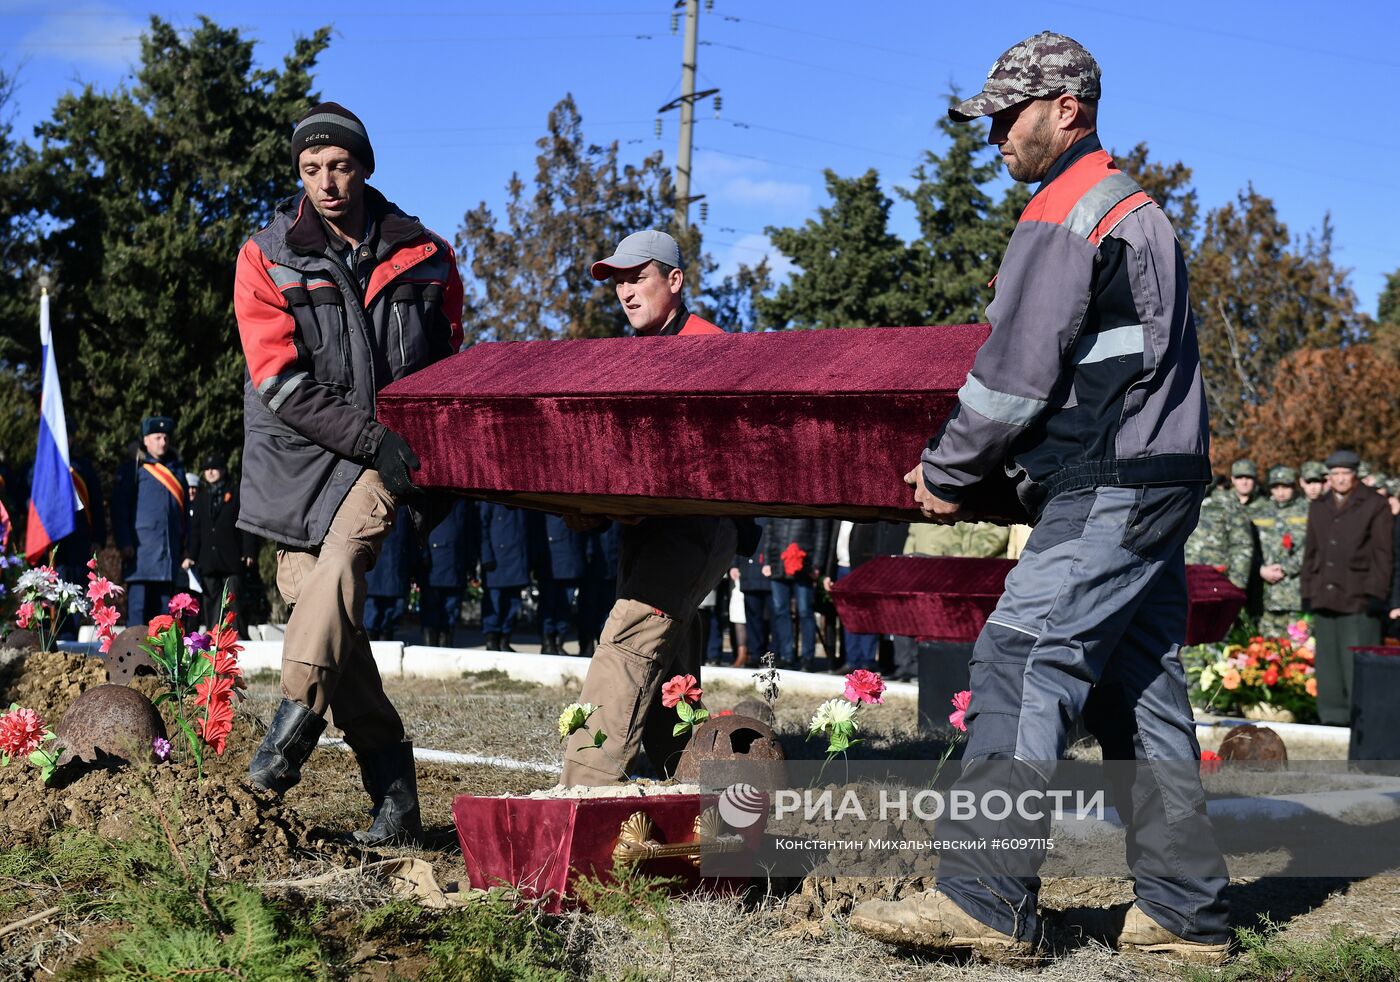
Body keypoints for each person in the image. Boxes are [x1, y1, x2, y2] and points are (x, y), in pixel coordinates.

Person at [854, 33, 1229, 963]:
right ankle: (1183, 914)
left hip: (1107, 482)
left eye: (1006, 119)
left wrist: (947, 470)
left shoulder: (1067, 209)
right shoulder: (1140, 209)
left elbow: (1015, 375)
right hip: (1160, 478)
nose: (994, 141)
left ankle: (985, 898)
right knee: (1140, 689)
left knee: (1020, 659)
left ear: (1067, 109)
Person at [233, 102, 463, 845]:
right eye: (310, 169)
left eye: (339, 166)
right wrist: (365, 434)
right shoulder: (264, 257)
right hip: (302, 455)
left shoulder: (427, 255)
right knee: (321, 610)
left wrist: (432, 455)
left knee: (339, 566)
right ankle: (395, 798)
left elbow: (449, 364)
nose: (326, 183)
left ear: (363, 166)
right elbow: (278, 381)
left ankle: (280, 750)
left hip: (390, 454)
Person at [560, 230, 755, 786]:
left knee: (630, 636)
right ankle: (679, 771)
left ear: (674, 280)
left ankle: (584, 784)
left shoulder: (713, 350)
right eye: (617, 281)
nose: (624, 291)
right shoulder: (632, 356)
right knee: (672, 660)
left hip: (697, 526)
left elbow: (723, 457)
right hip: (647, 527)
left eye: (636, 277)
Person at [1300, 450, 1393, 725]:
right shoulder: (1319, 505)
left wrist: (1378, 593)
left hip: (1359, 595)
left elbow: (1383, 553)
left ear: (1355, 475)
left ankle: (1364, 721)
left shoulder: (1375, 504)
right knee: (1328, 664)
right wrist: (1307, 592)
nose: (1340, 479)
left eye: (1346, 473)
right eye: (1335, 474)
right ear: (1329, 476)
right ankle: (1332, 719)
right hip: (1324, 594)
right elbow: (1311, 552)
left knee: (1358, 661)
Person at [113, 416, 188, 625]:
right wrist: (125, 542)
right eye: (157, 437)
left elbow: (185, 514)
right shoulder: (134, 468)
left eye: (165, 437)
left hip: (167, 555)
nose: (162, 442)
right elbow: (120, 509)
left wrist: (187, 547)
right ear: (146, 440)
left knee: (163, 619)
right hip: (140, 555)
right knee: (138, 617)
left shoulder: (177, 470)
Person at [184, 455, 258, 637]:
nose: (209, 472)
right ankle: (213, 639)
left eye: (214, 468)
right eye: (206, 469)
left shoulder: (236, 493)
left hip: (231, 558)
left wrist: (249, 550)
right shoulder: (201, 496)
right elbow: (195, 530)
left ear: (223, 470)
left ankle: (238, 638)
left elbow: (247, 524)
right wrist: (190, 555)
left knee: (234, 603)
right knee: (211, 605)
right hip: (208, 561)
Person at [763, 518, 831, 671]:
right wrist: (767, 561)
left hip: (804, 565)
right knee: (781, 611)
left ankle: (808, 658)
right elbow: (769, 533)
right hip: (778, 563)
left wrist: (817, 564)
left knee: (805, 611)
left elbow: (821, 534)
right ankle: (786, 656)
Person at [1251, 466, 1308, 637]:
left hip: (1295, 593)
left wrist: (1286, 568)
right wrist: (1260, 569)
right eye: (1276, 487)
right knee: (1266, 651)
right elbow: (1247, 546)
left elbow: (1312, 547)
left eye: (1286, 487)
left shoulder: (1307, 510)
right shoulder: (1258, 512)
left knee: (1299, 649)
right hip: (1265, 594)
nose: (1281, 492)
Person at [419, 499, 477, 647]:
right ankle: (429, 647)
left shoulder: (464, 502)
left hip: (457, 563)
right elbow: (421, 526)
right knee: (432, 609)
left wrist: (471, 563)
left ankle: (446, 646)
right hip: (435, 563)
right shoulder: (431, 499)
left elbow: (469, 532)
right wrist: (423, 557)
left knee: (451, 609)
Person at [533, 513, 587, 655]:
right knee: (548, 604)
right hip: (549, 560)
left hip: (571, 557)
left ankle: (559, 641)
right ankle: (548, 641)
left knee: (565, 606)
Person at [479, 502, 529, 651]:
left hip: (517, 558)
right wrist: (486, 555)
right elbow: (482, 526)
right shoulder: (490, 497)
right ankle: (491, 640)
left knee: (513, 604)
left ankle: (505, 640)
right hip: (496, 559)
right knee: (494, 603)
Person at [363, 505, 413, 641]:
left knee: (389, 616)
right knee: (374, 615)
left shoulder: (404, 507)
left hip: (393, 568)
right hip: (379, 568)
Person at [729, 516, 770, 668]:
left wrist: (770, 563)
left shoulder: (770, 517)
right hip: (747, 571)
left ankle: (771, 655)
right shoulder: (748, 514)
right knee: (752, 617)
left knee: (770, 618)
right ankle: (754, 654)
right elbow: (738, 538)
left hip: (767, 571)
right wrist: (733, 565)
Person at [577, 521, 620, 659]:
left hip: (612, 561)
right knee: (588, 607)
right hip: (593, 562)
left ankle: (605, 645)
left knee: (609, 609)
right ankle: (586, 644)